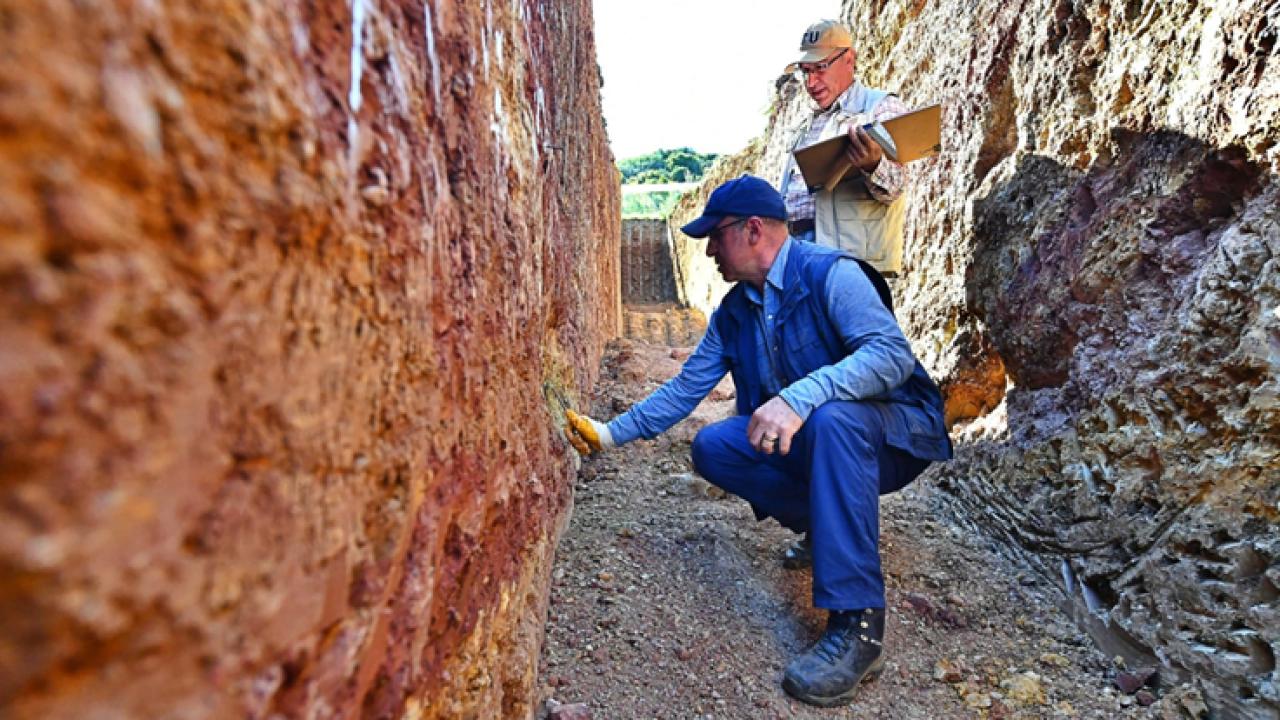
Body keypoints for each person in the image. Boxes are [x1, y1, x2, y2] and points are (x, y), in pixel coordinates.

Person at [564, 175, 952, 707]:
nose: (708, 252)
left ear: (751, 230)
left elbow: (890, 357)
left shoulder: (831, 275)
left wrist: (800, 398)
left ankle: (858, 628)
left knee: (833, 419)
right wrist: (608, 433)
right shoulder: (735, 310)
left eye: (715, 237)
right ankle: (828, 524)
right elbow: (685, 389)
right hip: (826, 445)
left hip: (892, 437)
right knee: (715, 446)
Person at [778, 19, 912, 278]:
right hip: (797, 260)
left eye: (820, 68)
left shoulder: (881, 109)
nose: (811, 82)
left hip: (850, 269)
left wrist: (874, 165)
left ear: (849, 59)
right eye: (805, 71)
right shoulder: (805, 125)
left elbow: (897, 187)